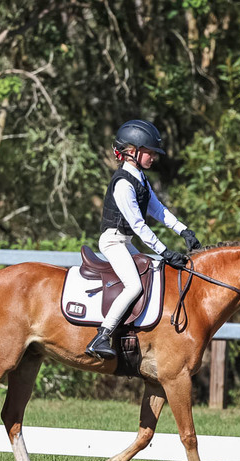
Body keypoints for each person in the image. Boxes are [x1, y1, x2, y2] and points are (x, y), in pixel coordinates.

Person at [86, 119, 201, 360]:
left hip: (125, 241)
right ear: (131, 152)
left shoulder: (140, 178)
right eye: (149, 152)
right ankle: (102, 336)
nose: (153, 157)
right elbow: (139, 225)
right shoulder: (123, 184)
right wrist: (165, 251)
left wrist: (184, 230)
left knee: (155, 273)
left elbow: (158, 210)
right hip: (113, 242)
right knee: (134, 285)